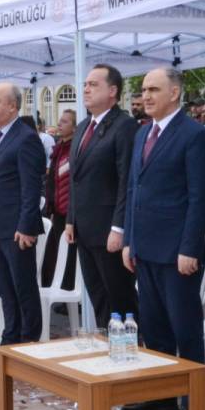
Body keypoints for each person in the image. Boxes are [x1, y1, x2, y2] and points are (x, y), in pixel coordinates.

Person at [122, 68, 205, 410]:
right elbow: (134, 190)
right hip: (145, 246)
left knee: (184, 328)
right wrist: (130, 238)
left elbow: (201, 197)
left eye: (153, 89)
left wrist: (190, 246)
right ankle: (160, 392)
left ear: (175, 93)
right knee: (154, 326)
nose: (146, 96)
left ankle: (191, 403)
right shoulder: (143, 133)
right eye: (144, 89)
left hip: (177, 250)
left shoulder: (194, 136)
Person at [0, 83, 46, 363]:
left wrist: (26, 225)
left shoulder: (25, 138)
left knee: (22, 286)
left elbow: (30, 187)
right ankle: (9, 342)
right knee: (4, 288)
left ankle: (28, 343)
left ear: (13, 106)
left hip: (16, 229)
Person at [66, 65, 138, 327]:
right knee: (97, 293)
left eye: (93, 84)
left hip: (109, 226)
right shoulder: (84, 126)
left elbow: (125, 181)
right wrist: (71, 219)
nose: (86, 89)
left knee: (119, 294)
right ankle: (107, 342)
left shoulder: (124, 126)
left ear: (112, 91)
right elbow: (76, 178)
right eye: (85, 84)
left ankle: (129, 347)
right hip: (84, 227)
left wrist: (118, 227)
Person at [41, 108, 77, 291]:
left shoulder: (74, 148)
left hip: (69, 209)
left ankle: (68, 289)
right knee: (55, 252)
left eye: (65, 121)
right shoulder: (58, 148)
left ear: (74, 126)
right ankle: (57, 285)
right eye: (60, 121)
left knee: (68, 254)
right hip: (57, 208)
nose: (60, 125)